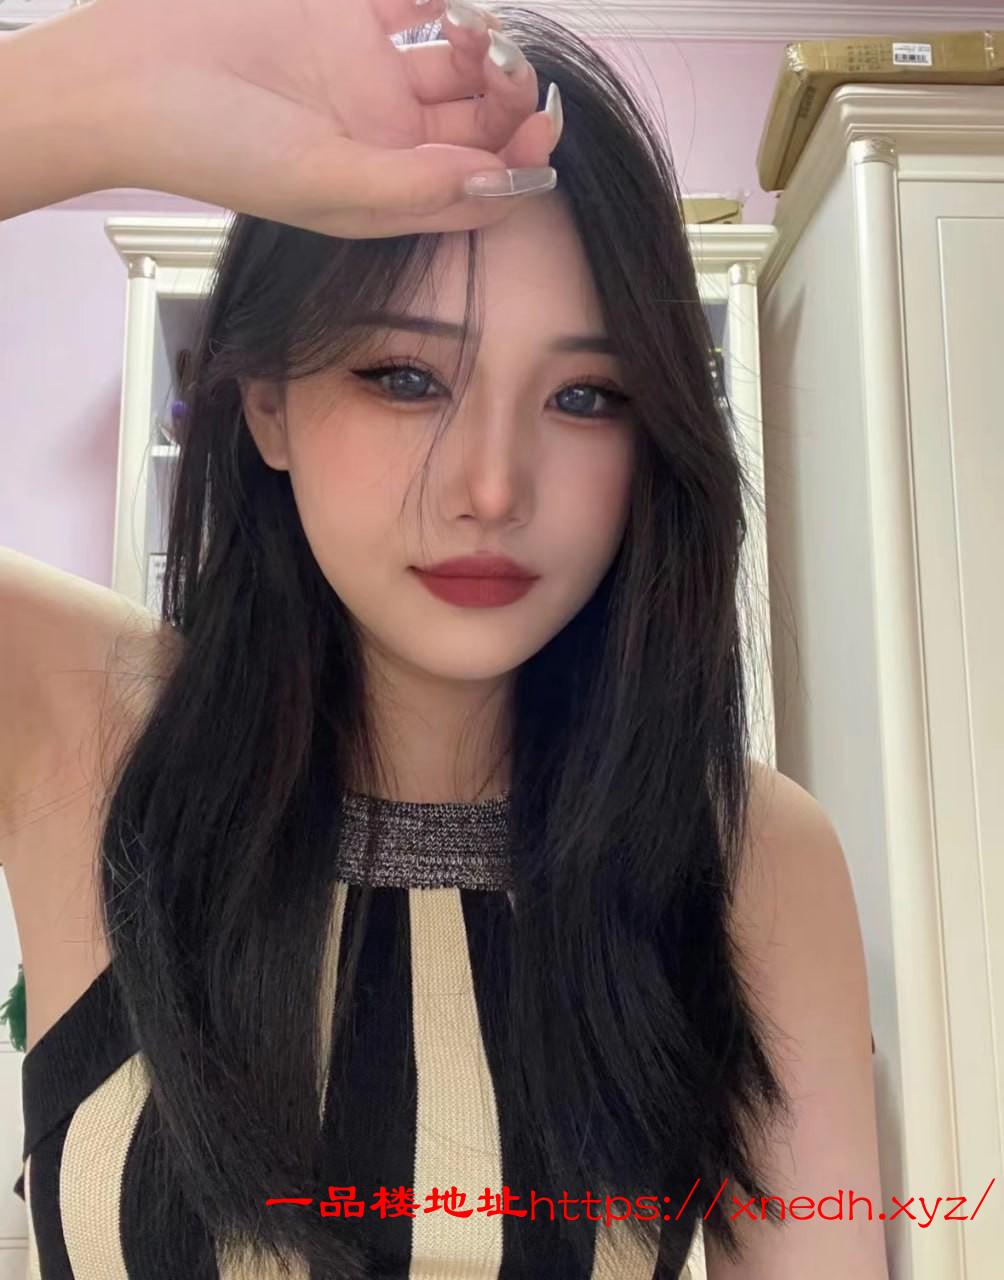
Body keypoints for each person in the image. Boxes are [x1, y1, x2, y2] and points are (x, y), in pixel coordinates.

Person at [0, 1, 888, 1277]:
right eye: (406, 376)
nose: (491, 486)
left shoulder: (745, 854)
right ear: (267, 403)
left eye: (585, 395)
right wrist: (113, 93)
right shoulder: (72, 724)